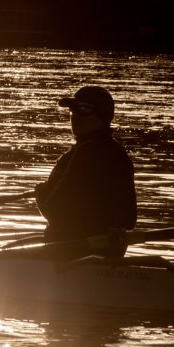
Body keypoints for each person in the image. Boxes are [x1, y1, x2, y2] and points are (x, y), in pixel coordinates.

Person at [34, 85, 136, 243]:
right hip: (106, 252)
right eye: (72, 110)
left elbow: (54, 211)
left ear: (102, 115)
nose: (75, 116)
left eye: (84, 109)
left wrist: (41, 193)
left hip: (69, 253)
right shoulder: (118, 153)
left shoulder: (85, 154)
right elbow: (129, 220)